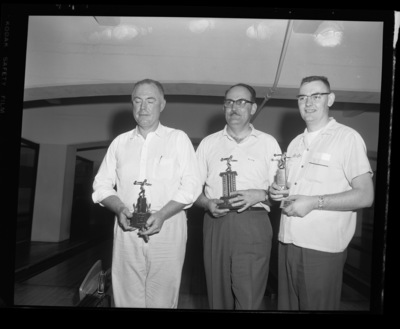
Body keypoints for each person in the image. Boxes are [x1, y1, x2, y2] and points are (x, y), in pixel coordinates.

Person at [92, 79, 202, 308]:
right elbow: (101, 185)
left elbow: (192, 186)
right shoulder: (120, 143)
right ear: (132, 104)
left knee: (162, 300)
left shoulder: (177, 139)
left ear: (162, 104)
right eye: (137, 101)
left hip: (168, 228)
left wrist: (161, 214)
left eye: (150, 100)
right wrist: (120, 208)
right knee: (125, 298)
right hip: (127, 229)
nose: (143, 107)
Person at [269, 76, 374, 311]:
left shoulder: (347, 138)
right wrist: (277, 190)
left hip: (321, 248)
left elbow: (366, 196)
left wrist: (314, 202)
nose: (309, 103)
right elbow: (292, 187)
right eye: (303, 97)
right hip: (287, 241)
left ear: (331, 99)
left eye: (316, 96)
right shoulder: (295, 143)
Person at [195, 83, 282, 310]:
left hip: (254, 223)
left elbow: (282, 192)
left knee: (249, 297)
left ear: (253, 108)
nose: (234, 107)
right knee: (217, 296)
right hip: (216, 223)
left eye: (241, 102)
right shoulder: (208, 144)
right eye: (229, 102)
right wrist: (206, 202)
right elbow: (190, 189)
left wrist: (261, 194)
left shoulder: (268, 143)